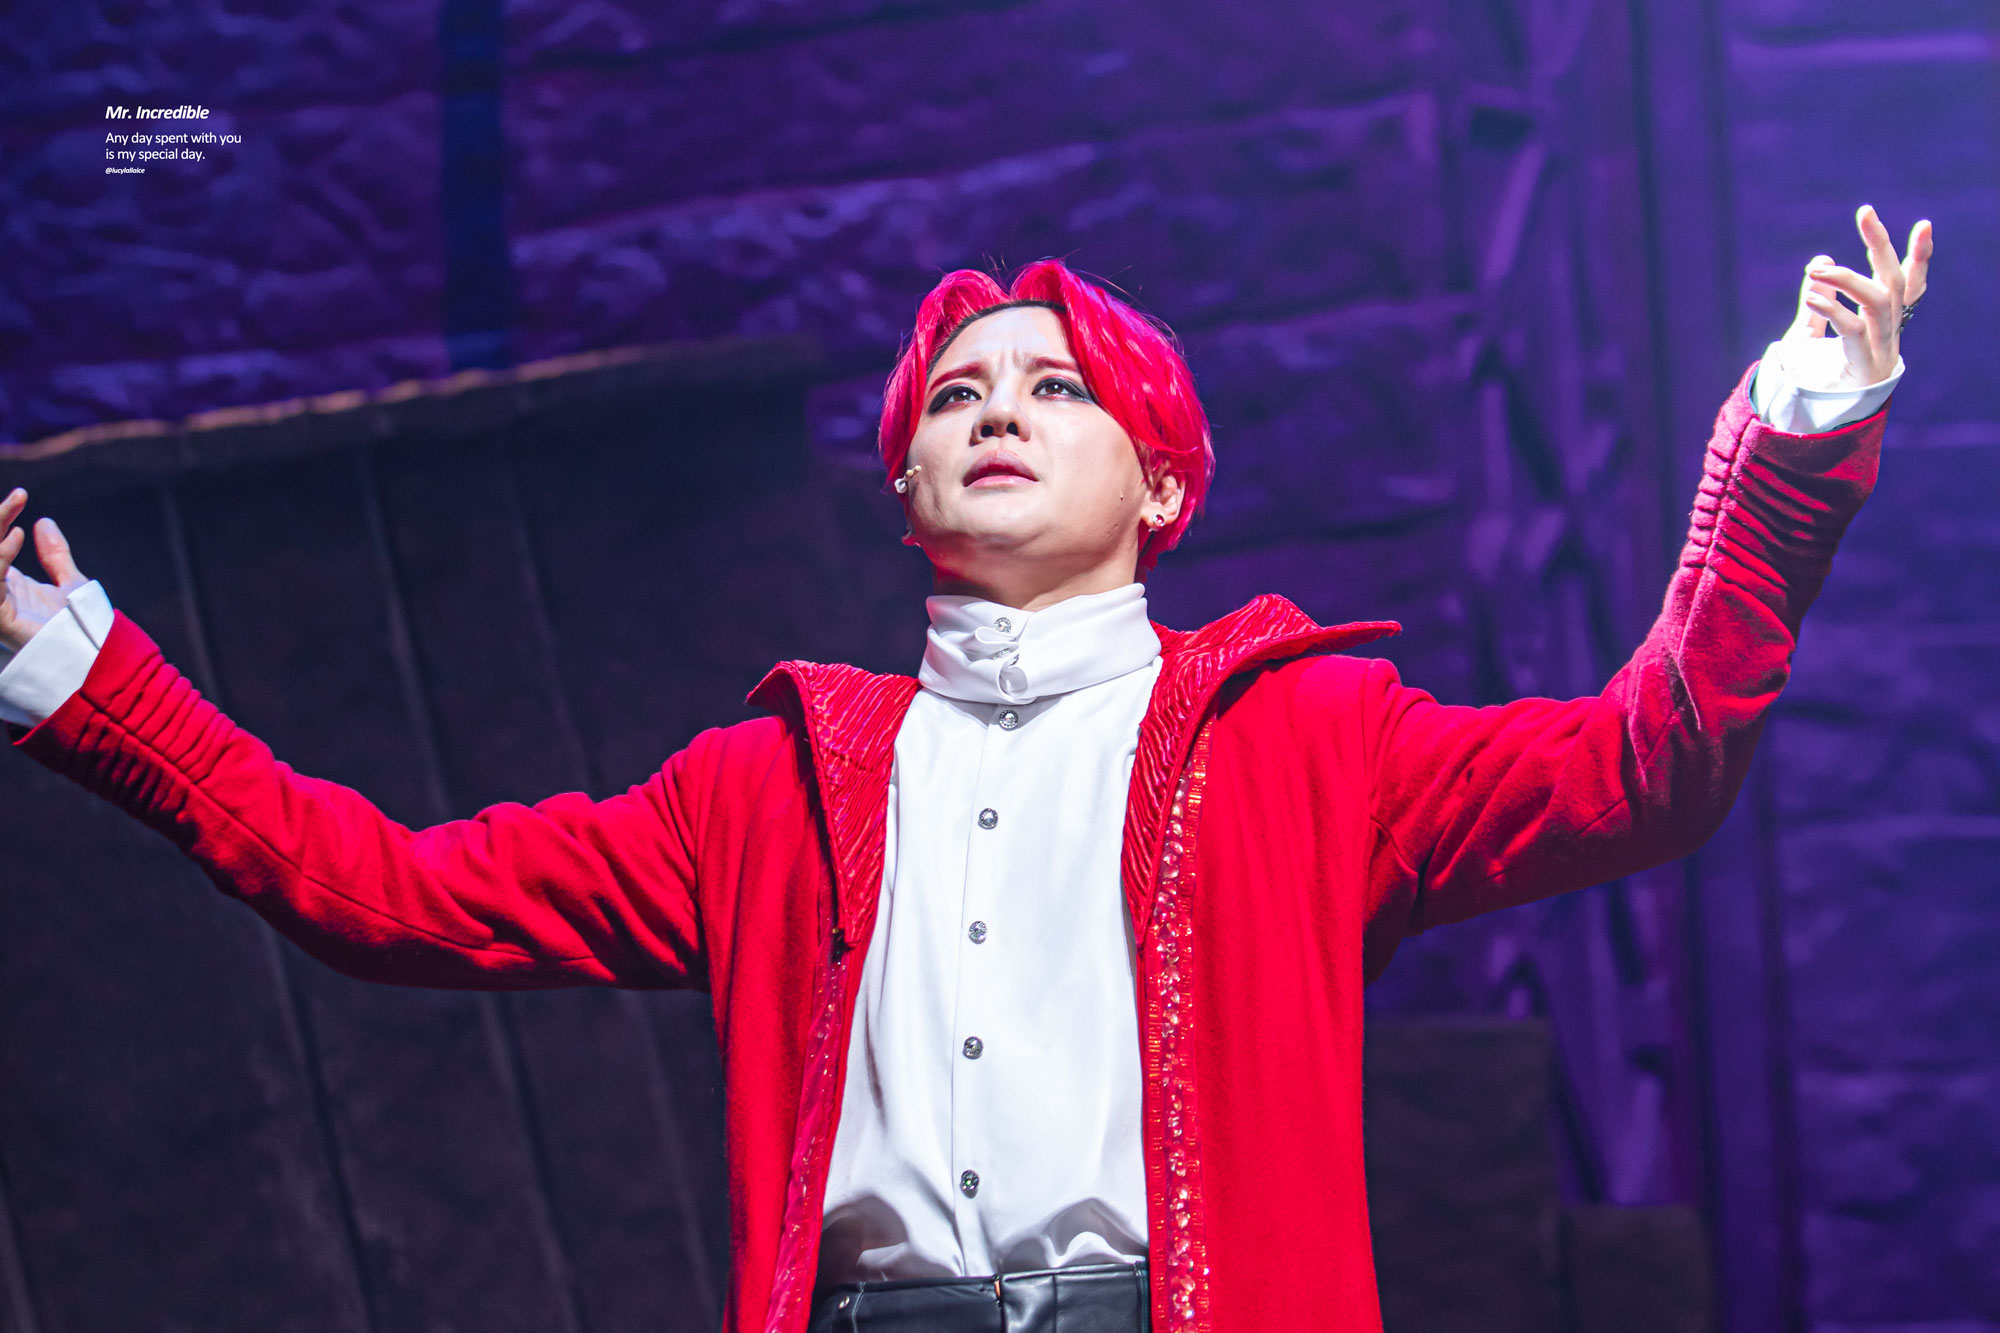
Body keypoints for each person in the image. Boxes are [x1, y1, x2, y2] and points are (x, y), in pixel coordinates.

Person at [0, 206, 1932, 1333]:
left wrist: (1789, 441)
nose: (998, 407)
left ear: (1161, 485)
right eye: (957, 393)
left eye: (1056, 386)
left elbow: (1650, 760)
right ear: (908, 485)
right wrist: (92, 683)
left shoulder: (1305, 741)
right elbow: (390, 894)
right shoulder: (765, 789)